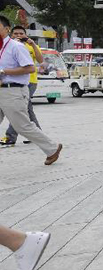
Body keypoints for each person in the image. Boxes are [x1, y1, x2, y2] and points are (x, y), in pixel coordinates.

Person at [0, 16, 61, 165]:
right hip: (2, 89)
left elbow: (30, 68)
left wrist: (3, 72)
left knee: (23, 126)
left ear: (7, 29)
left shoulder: (16, 46)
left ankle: (52, 149)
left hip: (13, 91)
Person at [1, 26, 44, 146]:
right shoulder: (8, 46)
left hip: (29, 82)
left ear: (26, 35)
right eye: (16, 33)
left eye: (21, 33)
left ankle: (11, 137)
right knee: (26, 110)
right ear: (11, 34)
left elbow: (40, 60)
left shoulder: (28, 45)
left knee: (19, 111)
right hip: (11, 84)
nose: (18, 36)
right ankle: (37, 134)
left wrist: (33, 44)